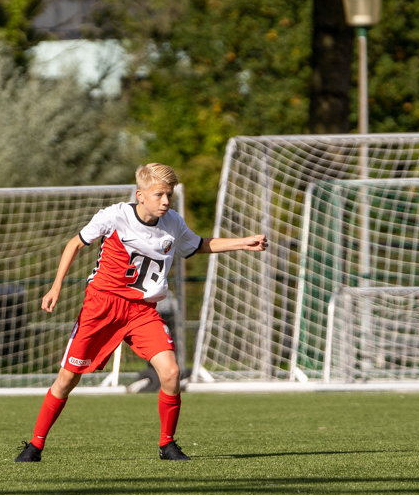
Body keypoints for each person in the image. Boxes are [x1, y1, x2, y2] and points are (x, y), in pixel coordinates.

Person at [15, 163, 268, 462]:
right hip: (102, 307)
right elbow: (75, 244)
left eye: (169, 195)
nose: (165, 201)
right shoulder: (115, 216)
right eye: (159, 194)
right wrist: (55, 286)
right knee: (67, 379)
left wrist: (242, 243)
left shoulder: (172, 222)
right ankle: (35, 445)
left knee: (171, 373)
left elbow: (198, 244)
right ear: (141, 195)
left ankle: (167, 445)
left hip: (142, 312)